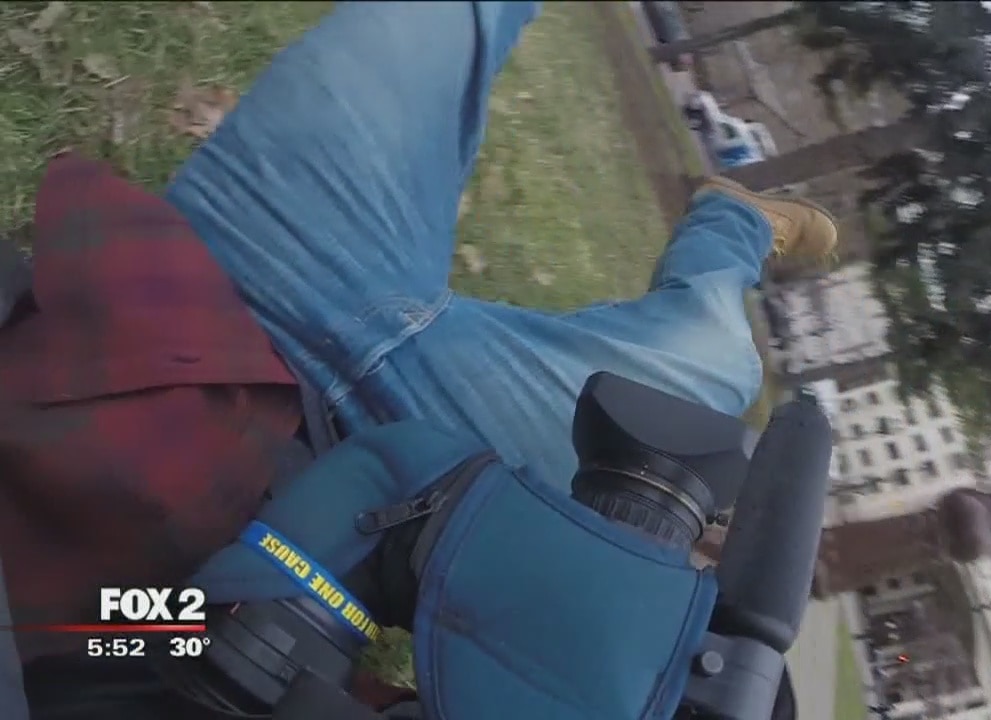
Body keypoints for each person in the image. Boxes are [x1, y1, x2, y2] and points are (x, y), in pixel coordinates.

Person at [165, 0, 839, 494]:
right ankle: (737, 224)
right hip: (438, 457)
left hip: (209, 305)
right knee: (718, 367)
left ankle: (736, 224)